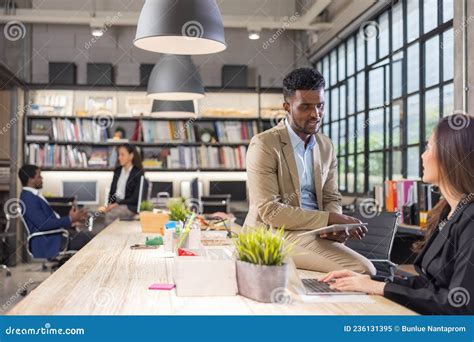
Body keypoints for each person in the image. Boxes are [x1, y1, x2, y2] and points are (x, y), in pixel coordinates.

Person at [321, 114, 474, 315]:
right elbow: (428, 285)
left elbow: (460, 306)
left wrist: (380, 288)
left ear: (449, 154)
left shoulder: (470, 220)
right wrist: (371, 281)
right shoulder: (447, 211)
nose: (423, 155)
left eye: (428, 147)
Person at [244, 68, 375, 275]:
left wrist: (335, 228)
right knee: (362, 269)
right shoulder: (264, 144)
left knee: (360, 268)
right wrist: (329, 219)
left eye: (320, 106)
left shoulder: (325, 146)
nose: (315, 114)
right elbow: (270, 211)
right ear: (287, 106)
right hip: (274, 234)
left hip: (315, 232)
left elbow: (332, 196)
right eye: (305, 107)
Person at [18, 165, 91, 259]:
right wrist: (70, 219)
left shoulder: (32, 196)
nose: (42, 178)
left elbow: (50, 220)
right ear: (31, 180)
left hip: (55, 237)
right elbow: (43, 224)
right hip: (50, 242)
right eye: (39, 176)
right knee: (93, 240)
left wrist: (71, 222)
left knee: (92, 237)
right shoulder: (28, 199)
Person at [100, 144, 145, 225]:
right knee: (98, 214)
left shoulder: (138, 173)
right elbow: (112, 191)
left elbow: (135, 198)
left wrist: (116, 205)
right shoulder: (117, 171)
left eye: (122, 154)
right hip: (116, 204)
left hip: (129, 206)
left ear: (131, 156)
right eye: (119, 155)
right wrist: (109, 204)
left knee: (110, 215)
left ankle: (107, 237)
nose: (119, 157)